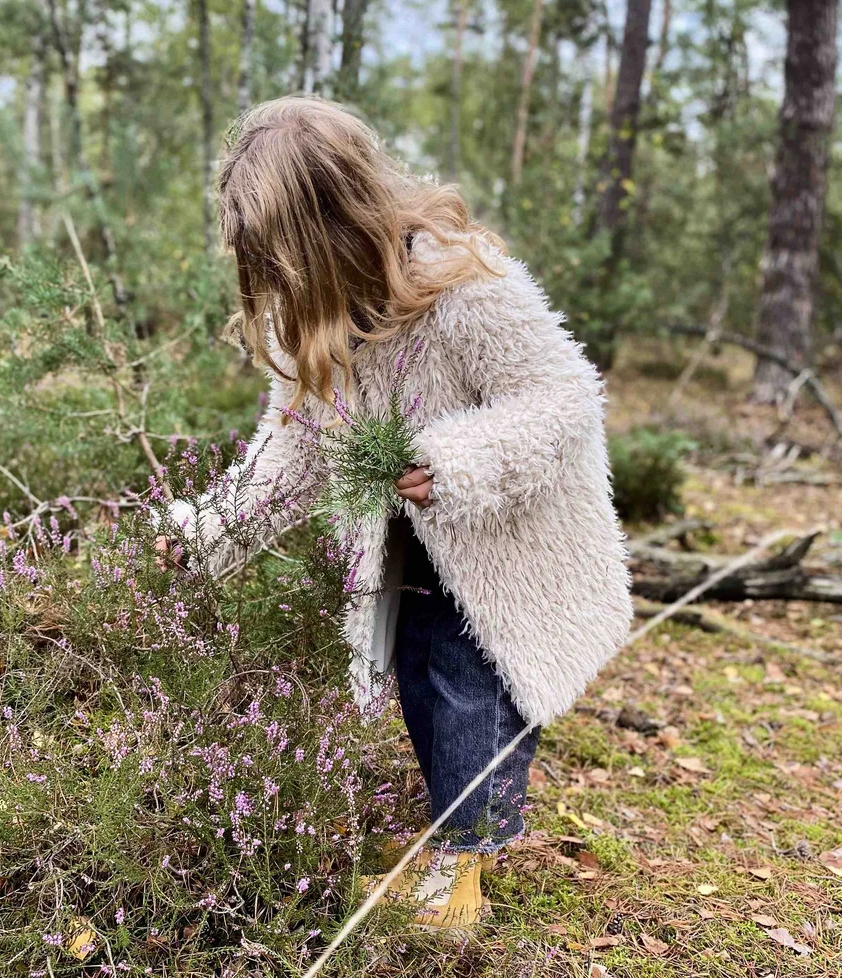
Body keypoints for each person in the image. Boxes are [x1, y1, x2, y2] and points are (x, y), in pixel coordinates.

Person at [153, 95, 632, 931]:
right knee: (418, 676)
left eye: (285, 252)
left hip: (505, 541)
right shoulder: (315, 315)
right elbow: (289, 449)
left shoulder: (463, 283)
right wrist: (202, 533)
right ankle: (454, 838)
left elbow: (565, 398)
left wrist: (454, 461)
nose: (276, 275)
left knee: (471, 682)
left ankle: (462, 865)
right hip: (410, 548)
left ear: (336, 220)